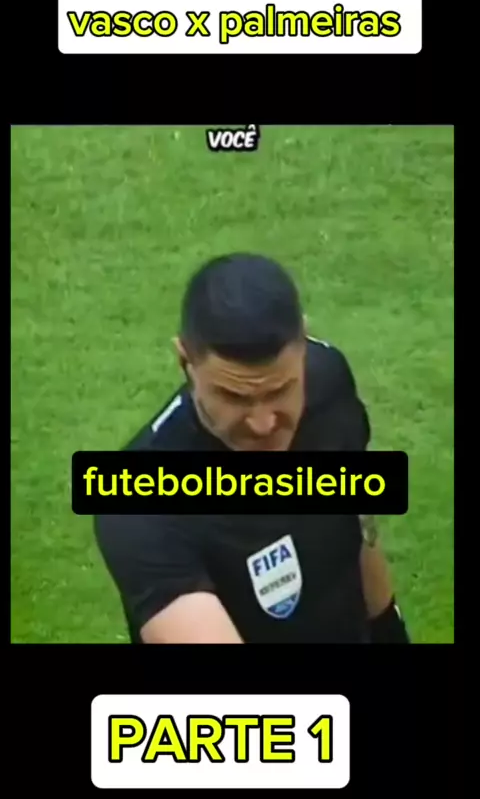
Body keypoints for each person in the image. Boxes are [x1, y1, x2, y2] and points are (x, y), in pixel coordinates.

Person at [94, 252, 410, 644]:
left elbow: (357, 525)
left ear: (304, 344)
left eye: (280, 391)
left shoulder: (328, 380)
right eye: (234, 397)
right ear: (185, 361)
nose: (263, 424)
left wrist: (389, 629)